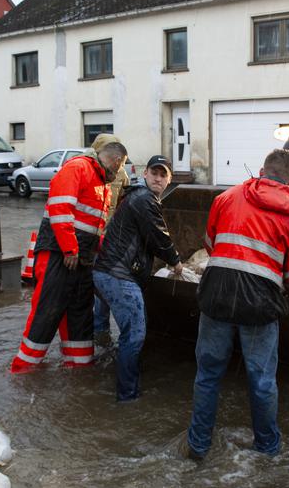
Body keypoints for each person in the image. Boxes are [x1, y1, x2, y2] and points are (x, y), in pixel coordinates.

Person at [184, 149, 289, 460]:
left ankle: (198, 446)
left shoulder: (226, 198)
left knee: (208, 374)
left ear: (261, 169)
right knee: (262, 380)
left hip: (216, 294)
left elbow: (211, 245)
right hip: (259, 304)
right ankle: (267, 450)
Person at [10, 141, 128, 373]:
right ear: (116, 161)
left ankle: (79, 366)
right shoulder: (79, 168)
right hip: (58, 254)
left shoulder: (101, 182)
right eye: (122, 165)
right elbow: (60, 208)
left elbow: (93, 227)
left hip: (80, 259)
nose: (121, 171)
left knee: (80, 314)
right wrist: (70, 249)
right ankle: (23, 370)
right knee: (47, 311)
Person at [93, 155, 182, 401]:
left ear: (169, 180)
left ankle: (101, 369)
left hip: (108, 271)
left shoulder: (135, 196)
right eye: (154, 173)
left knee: (130, 330)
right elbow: (159, 237)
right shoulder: (144, 198)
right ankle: (128, 395)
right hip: (117, 275)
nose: (158, 178)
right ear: (145, 174)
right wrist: (175, 262)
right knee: (134, 334)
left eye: (163, 175)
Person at [82, 134, 132, 348]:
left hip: (106, 236)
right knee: (85, 284)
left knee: (102, 283)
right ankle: (87, 329)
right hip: (84, 236)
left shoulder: (120, 173)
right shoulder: (84, 167)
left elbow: (123, 200)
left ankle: (99, 329)